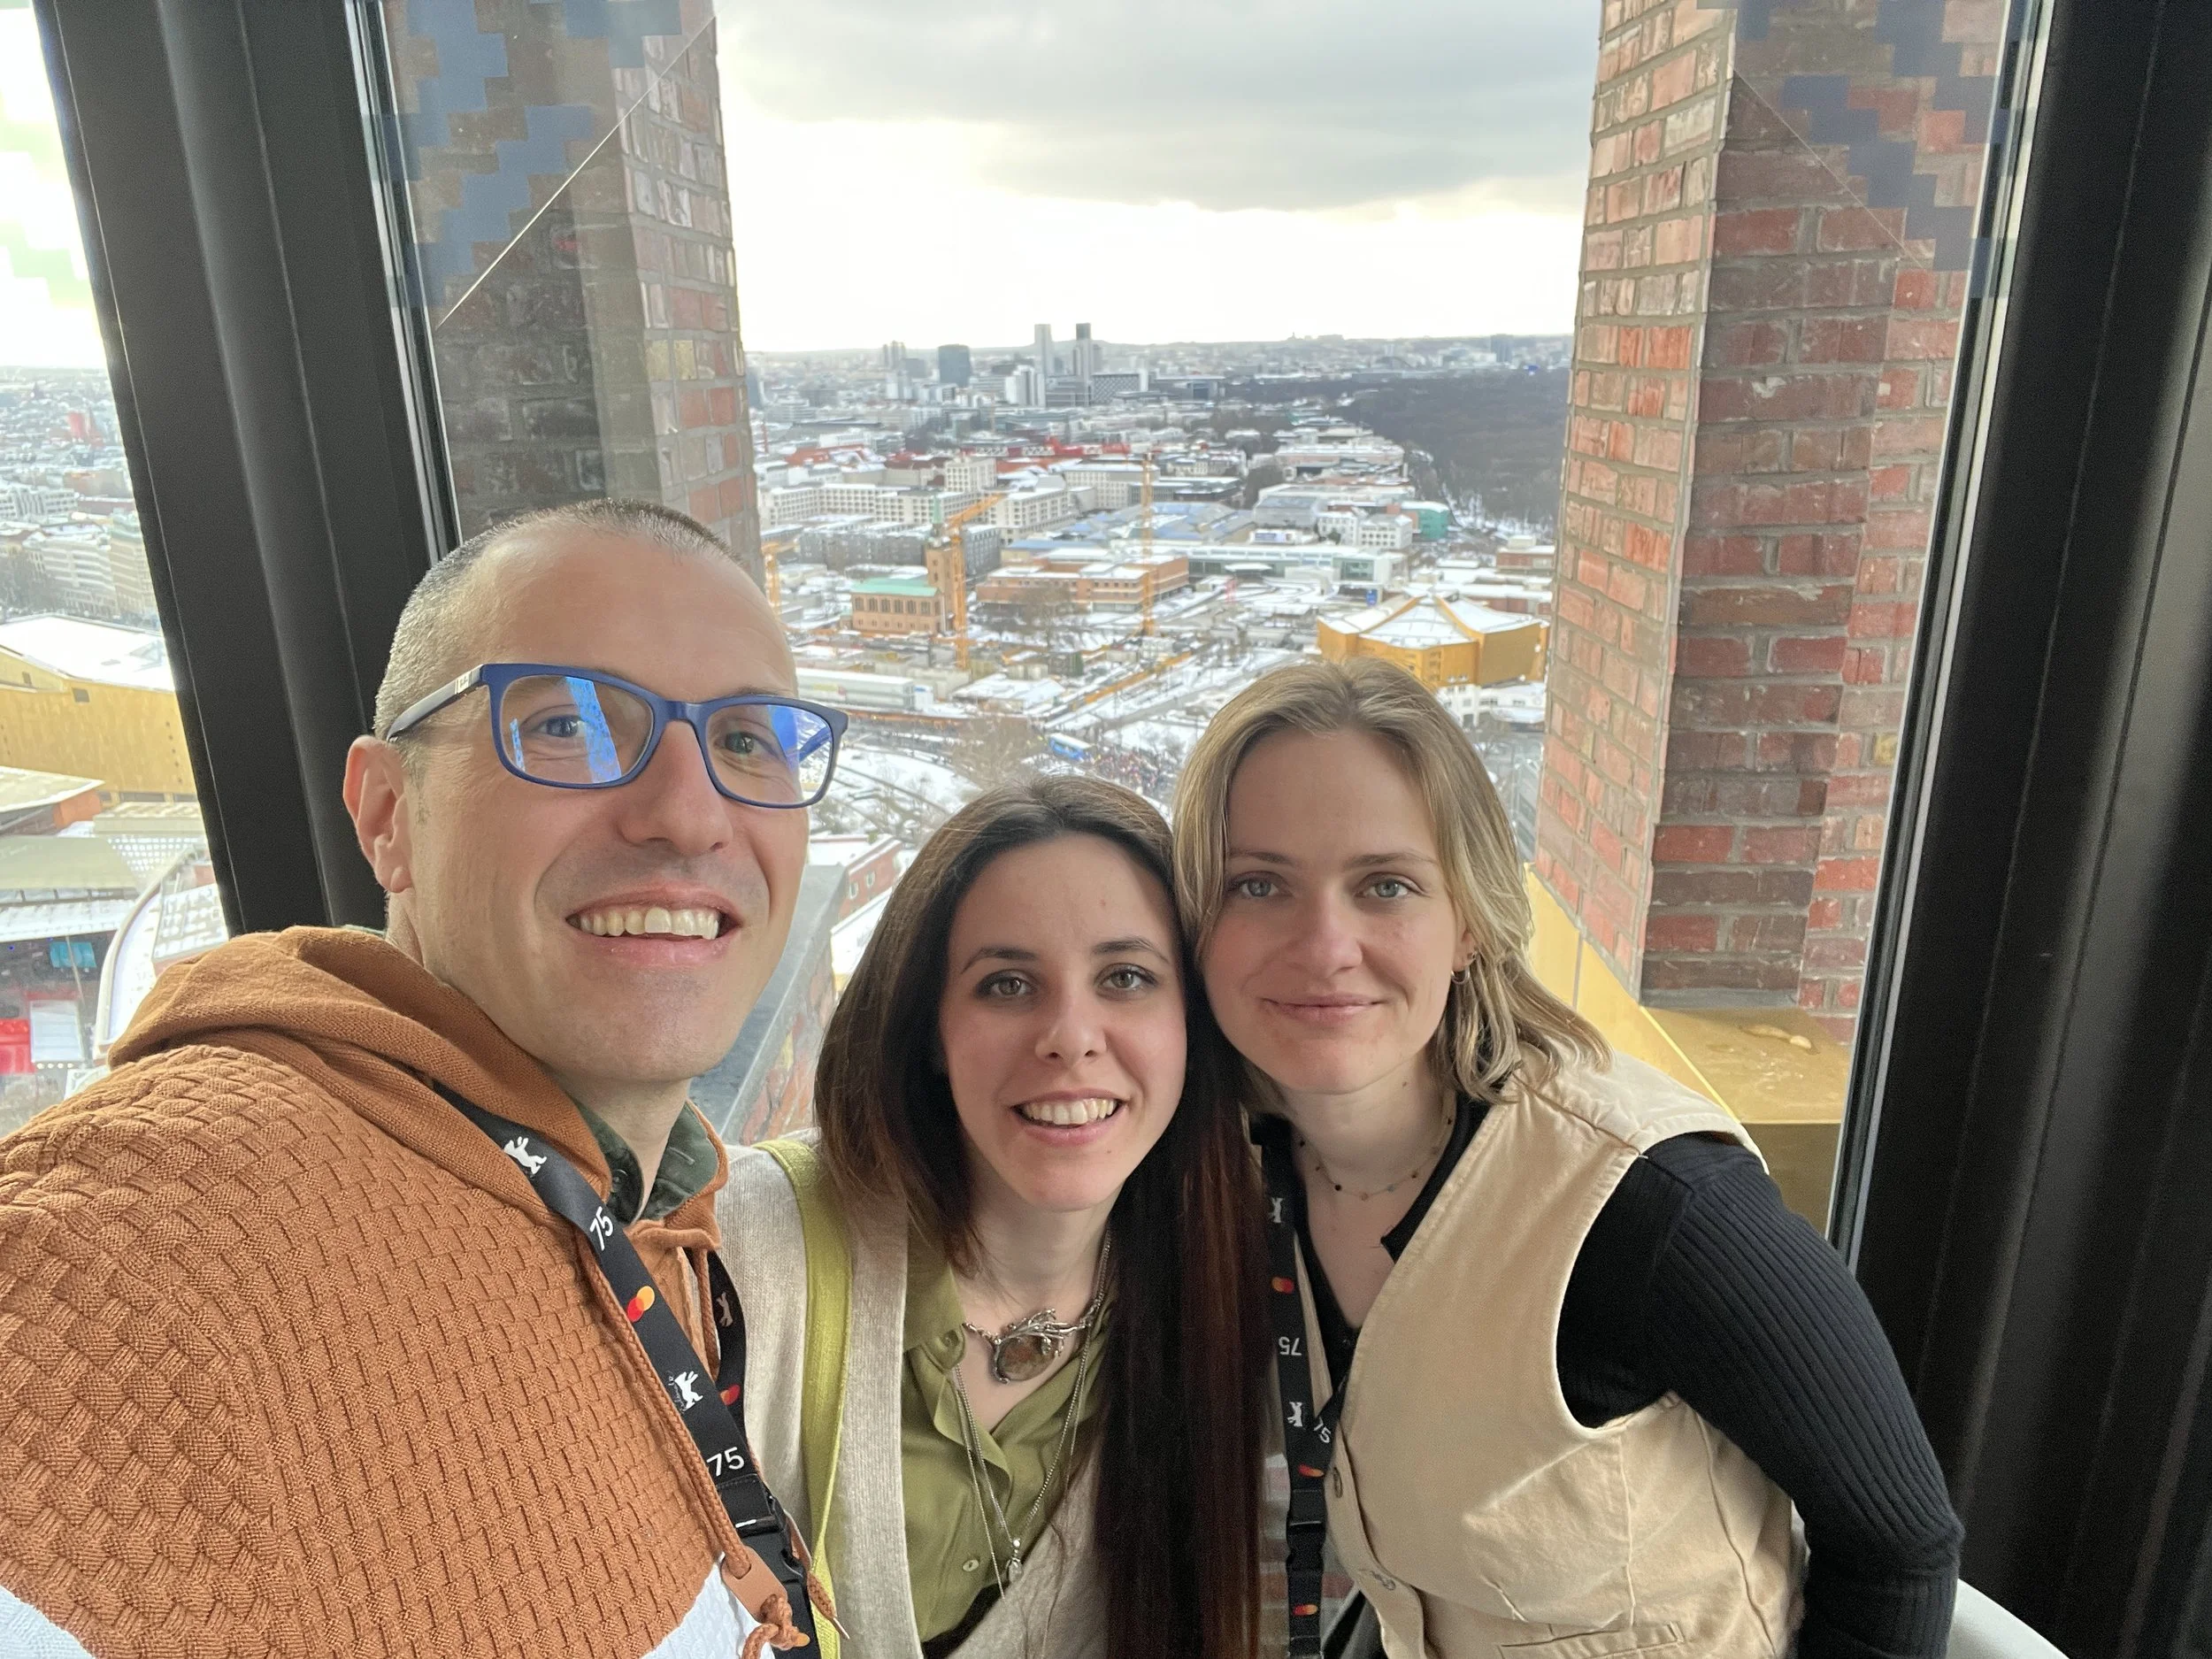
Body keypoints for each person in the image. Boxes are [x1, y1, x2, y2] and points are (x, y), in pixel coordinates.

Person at [0, 500, 844, 1658]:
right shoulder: (142, 1247)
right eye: (569, 723)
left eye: (747, 741)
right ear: (387, 813)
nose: (689, 813)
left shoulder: (660, 1207)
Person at [1171, 657, 1964, 1659]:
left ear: (1467, 923)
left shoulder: (1655, 1211)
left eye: (1385, 885)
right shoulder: (1240, 1173)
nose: (1325, 943)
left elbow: (1900, 1547)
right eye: (1258, 885)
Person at [716, 776, 1270, 1659]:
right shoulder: (745, 1255)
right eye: (1006, 984)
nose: (1070, 1035)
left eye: (1126, 978)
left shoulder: (1217, 1299)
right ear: (928, 1029)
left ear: (1190, 1026)